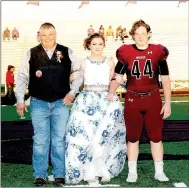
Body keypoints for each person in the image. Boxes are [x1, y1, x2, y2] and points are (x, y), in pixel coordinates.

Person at [15, 22, 82, 187]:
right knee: (40, 140)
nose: (47, 38)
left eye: (50, 34)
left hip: (61, 102)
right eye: (43, 35)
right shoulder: (30, 54)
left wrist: (72, 92)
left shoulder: (67, 52)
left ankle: (59, 173)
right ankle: (40, 174)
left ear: (55, 34)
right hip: (38, 102)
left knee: (59, 139)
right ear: (39, 36)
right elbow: (22, 77)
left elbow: (79, 74)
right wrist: (20, 101)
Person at [108, 20, 171, 183]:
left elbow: (165, 79)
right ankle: (132, 172)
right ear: (133, 35)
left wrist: (168, 102)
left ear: (149, 34)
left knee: (156, 137)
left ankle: (159, 171)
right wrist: (109, 93)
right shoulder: (125, 52)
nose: (141, 37)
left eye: (144, 33)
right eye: (137, 33)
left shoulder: (158, 51)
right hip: (132, 98)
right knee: (132, 137)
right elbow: (117, 77)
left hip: (153, 98)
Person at [65, 33, 127, 186]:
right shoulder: (83, 62)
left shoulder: (110, 62)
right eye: (94, 44)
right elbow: (77, 85)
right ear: (89, 45)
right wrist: (71, 78)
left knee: (104, 138)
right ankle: (88, 170)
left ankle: (102, 168)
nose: (97, 47)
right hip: (86, 101)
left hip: (107, 101)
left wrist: (121, 81)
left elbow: (115, 80)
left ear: (104, 45)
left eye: (100, 43)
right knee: (86, 136)